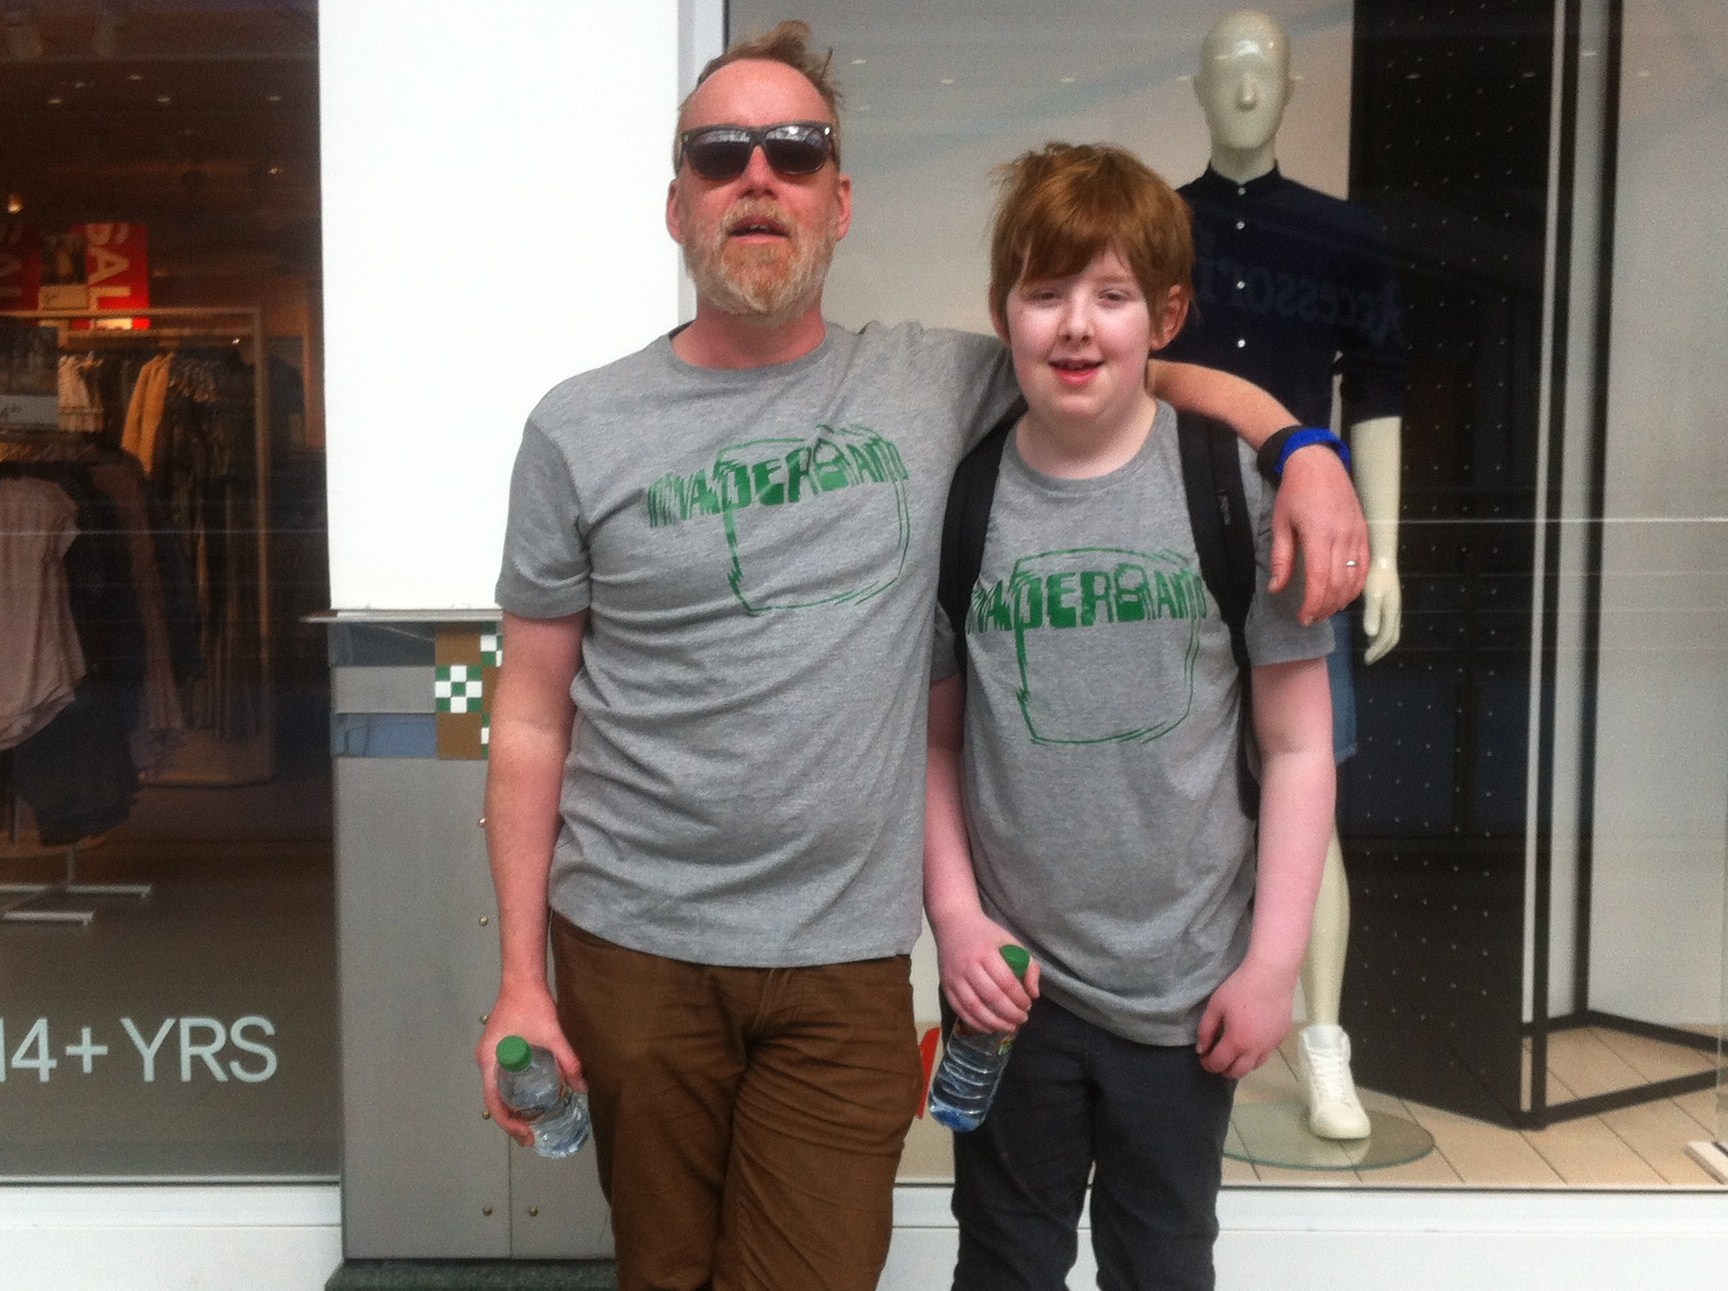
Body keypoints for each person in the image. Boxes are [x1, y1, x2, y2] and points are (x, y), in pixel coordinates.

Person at [477, 21, 1362, 1291]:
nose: (758, 176)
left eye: (795, 151)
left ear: (840, 203)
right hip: (632, 940)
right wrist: (521, 979)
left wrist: (1302, 449)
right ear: (677, 206)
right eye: (721, 154)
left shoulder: (933, 383)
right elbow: (529, 718)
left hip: (845, 956)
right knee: (664, 1270)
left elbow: (1131, 368)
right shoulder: (577, 429)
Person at [923, 142, 1335, 1290]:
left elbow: (1300, 747)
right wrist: (956, 919)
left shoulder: (1230, 489)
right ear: (1002, 311)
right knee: (1005, 1260)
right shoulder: (965, 499)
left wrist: (1273, 966)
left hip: (1187, 989)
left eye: (1111, 295)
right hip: (1015, 991)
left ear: (1167, 315)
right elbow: (936, 742)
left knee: (1162, 1261)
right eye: (1046, 292)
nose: (1075, 326)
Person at [1161, 7, 1407, 1140]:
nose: (1248, 90)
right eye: (1228, 70)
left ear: (1295, 87)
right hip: (1176, 540)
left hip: (1306, 550)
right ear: (1198, 88)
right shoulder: (1160, 226)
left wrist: (1387, 548)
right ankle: (1170, 1037)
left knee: (1314, 805)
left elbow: (1381, 390)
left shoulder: (1346, 234)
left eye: (1266, 71)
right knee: (1176, 792)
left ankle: (1322, 1045)